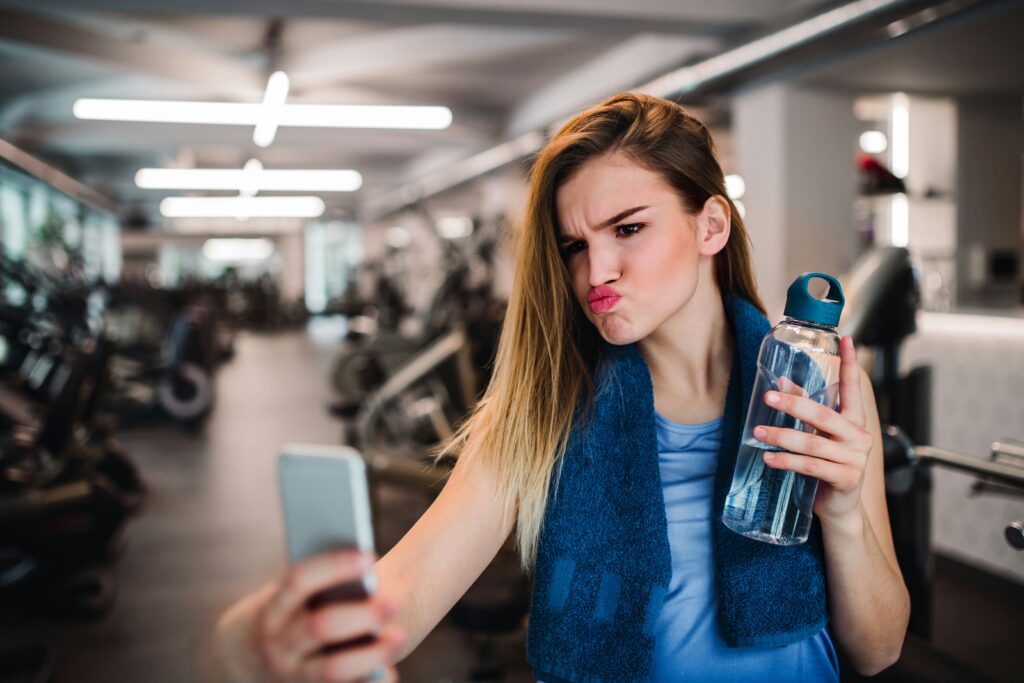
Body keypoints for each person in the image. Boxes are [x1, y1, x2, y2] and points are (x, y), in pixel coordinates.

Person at [214, 92, 910, 683]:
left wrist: (843, 514)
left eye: (627, 228)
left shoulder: (821, 392)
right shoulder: (544, 411)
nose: (595, 270)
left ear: (711, 225)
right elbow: (407, 588)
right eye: (575, 245)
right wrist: (259, 639)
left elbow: (878, 649)